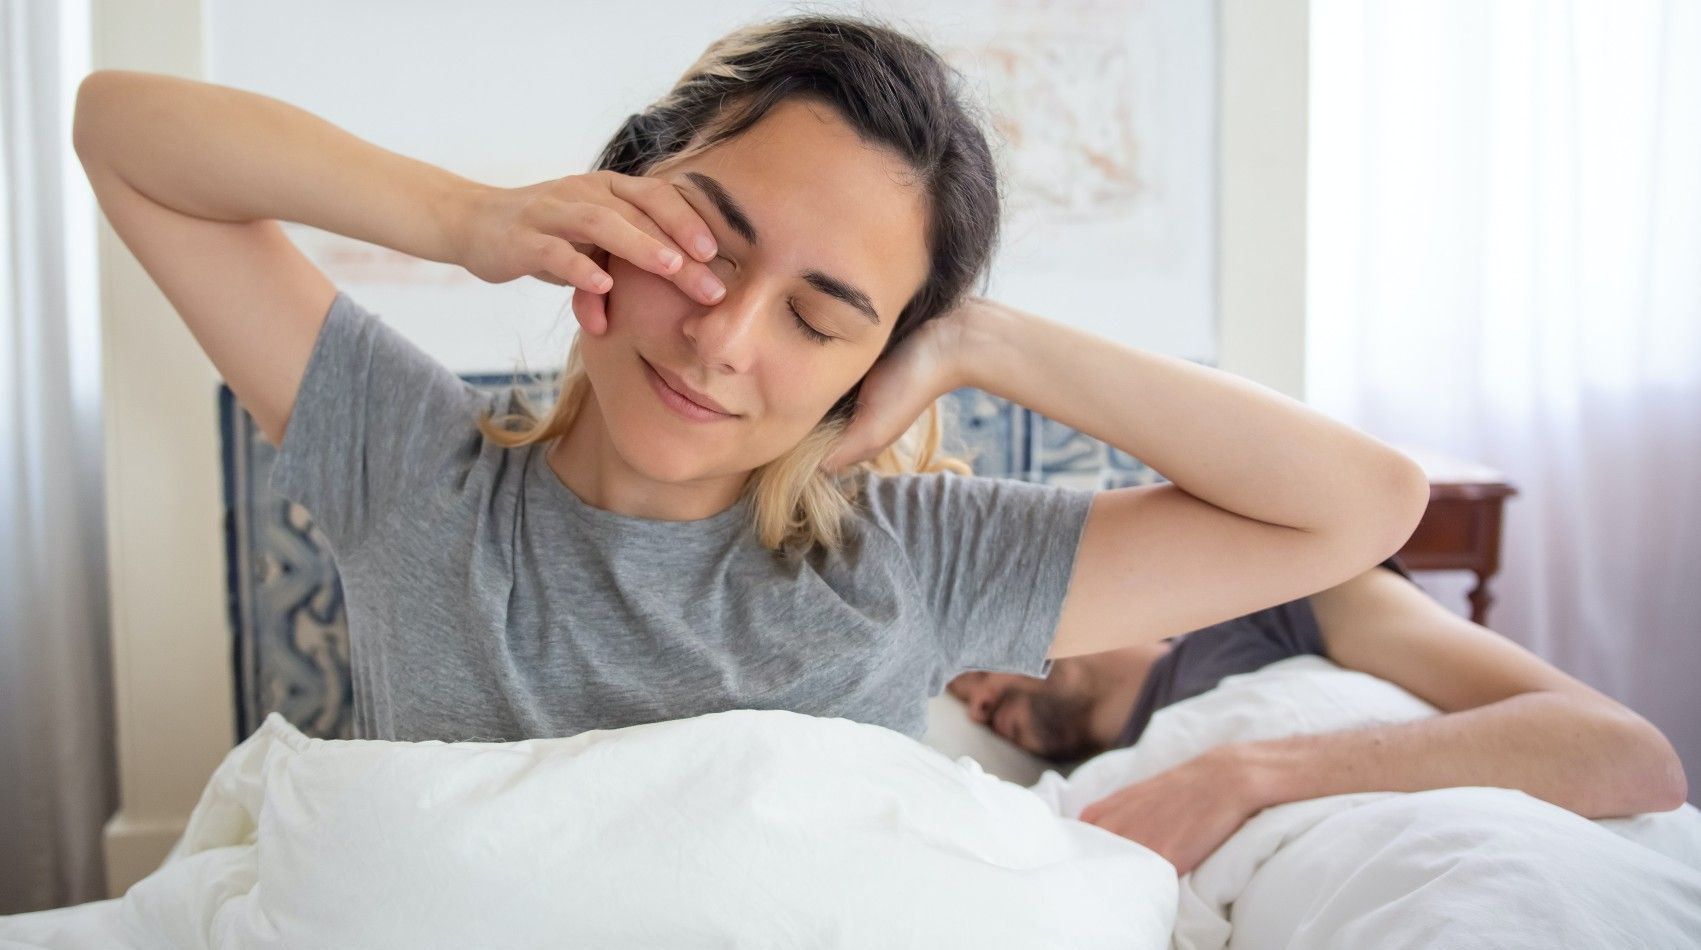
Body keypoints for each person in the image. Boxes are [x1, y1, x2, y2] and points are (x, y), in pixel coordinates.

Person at [71, 14, 1428, 746]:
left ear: (876, 358)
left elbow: (1359, 506)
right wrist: (462, 218)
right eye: (707, 246)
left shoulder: (914, 560)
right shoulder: (413, 473)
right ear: (618, 190)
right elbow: (119, 125)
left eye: (824, 315)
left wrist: (981, 340)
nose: (724, 340)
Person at [948, 558, 1689, 873]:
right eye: (965, 706)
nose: (978, 703)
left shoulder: (1281, 606)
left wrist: (1244, 773)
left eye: (973, 669)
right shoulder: (1076, 801)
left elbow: (1631, 757)